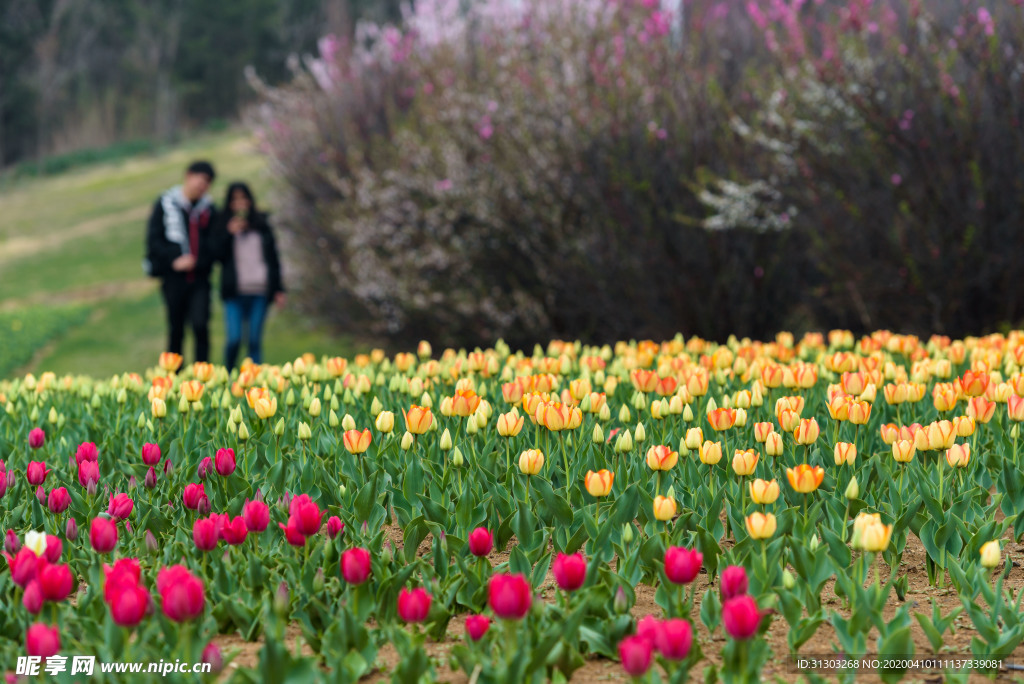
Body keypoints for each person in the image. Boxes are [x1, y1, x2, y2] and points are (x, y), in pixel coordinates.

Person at [144, 160, 219, 363]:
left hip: (200, 279)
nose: (202, 187)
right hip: (173, 279)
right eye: (200, 181)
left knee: (201, 325)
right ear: (188, 176)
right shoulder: (166, 204)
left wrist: (198, 261)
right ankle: (174, 374)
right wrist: (173, 262)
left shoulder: (209, 210)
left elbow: (214, 244)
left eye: (207, 183)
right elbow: (154, 241)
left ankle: (202, 373)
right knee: (176, 329)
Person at [216, 182, 285, 372]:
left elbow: (274, 259)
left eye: (243, 199)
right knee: (234, 339)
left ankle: (255, 379)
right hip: (234, 292)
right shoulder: (223, 226)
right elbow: (216, 255)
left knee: (254, 340)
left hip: (260, 290)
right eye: (235, 200)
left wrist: (279, 289)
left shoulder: (262, 225)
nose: (240, 204)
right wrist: (228, 234)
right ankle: (228, 375)